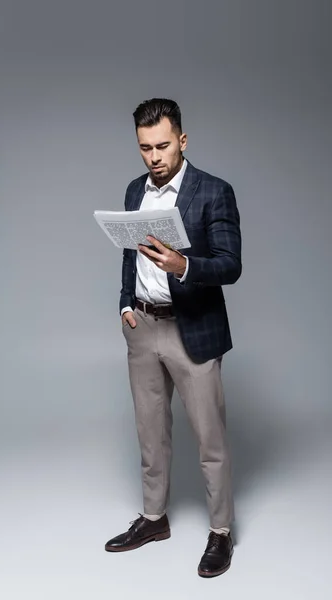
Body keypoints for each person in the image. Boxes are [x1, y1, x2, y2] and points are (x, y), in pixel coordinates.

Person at [104, 98, 242, 578]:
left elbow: (231, 264)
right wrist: (124, 303)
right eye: (145, 148)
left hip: (194, 330)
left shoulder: (213, 191)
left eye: (163, 145)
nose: (154, 156)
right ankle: (153, 519)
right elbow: (128, 254)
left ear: (182, 140)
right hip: (143, 328)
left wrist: (184, 265)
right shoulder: (132, 190)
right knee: (150, 434)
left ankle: (221, 532)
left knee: (210, 439)